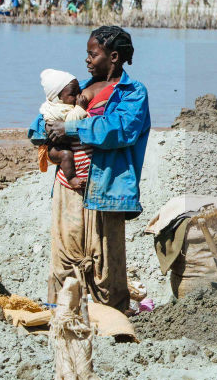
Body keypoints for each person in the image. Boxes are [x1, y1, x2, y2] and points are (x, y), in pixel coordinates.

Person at [32, 25, 151, 308]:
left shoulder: (132, 93)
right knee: (65, 254)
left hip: (106, 189)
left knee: (104, 261)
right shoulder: (78, 89)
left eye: (92, 54)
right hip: (68, 186)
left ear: (113, 56)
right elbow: (40, 123)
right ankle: (63, 312)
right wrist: (51, 126)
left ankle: (107, 316)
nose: (86, 60)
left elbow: (119, 129)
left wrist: (71, 127)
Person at [38, 69, 90, 190]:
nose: (78, 96)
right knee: (66, 155)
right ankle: (71, 179)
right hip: (54, 149)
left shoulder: (61, 103)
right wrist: (80, 108)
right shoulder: (58, 109)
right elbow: (70, 123)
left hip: (61, 144)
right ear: (57, 97)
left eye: (79, 92)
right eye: (73, 94)